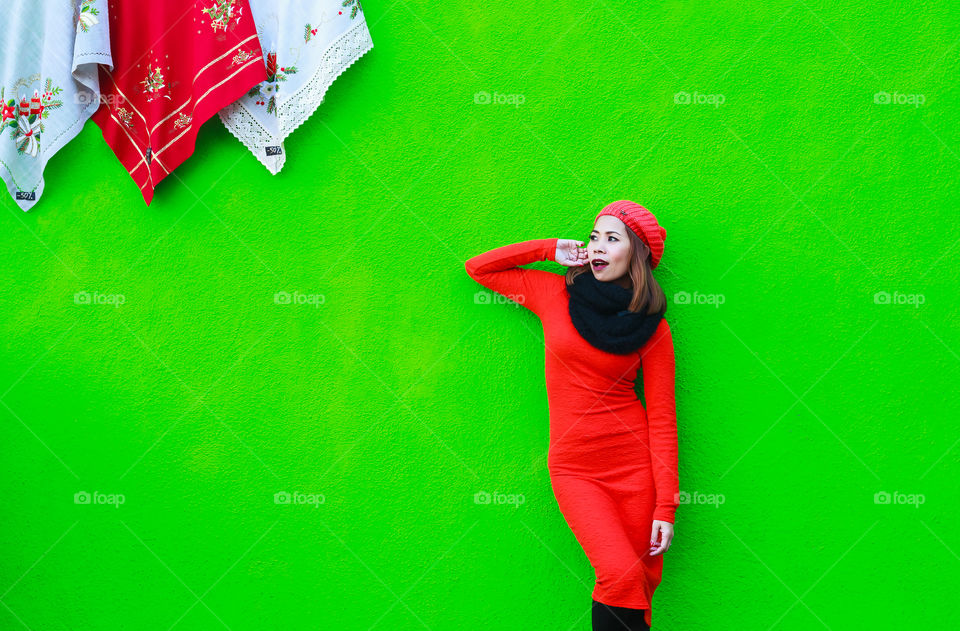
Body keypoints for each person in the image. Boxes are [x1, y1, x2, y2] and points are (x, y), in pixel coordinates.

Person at [465, 200, 679, 630]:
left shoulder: (652, 326)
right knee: (618, 575)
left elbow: (663, 418)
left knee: (638, 583)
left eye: (612, 238)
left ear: (636, 254)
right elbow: (479, 269)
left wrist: (666, 506)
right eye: (594, 236)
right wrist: (549, 248)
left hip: (635, 469)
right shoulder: (555, 294)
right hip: (576, 470)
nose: (597, 245)